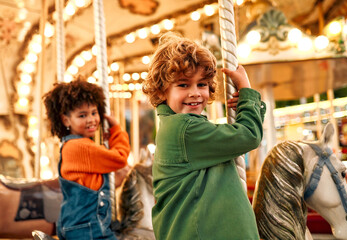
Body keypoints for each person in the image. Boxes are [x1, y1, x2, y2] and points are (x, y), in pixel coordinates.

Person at [142, 32, 266, 240]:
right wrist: (247, 91)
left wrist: (246, 106)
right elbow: (249, 136)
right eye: (183, 84)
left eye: (202, 84)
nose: (196, 93)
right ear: (162, 91)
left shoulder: (180, 126)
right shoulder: (183, 129)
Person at [43, 77, 130, 240]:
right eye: (82, 115)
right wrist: (117, 130)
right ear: (66, 120)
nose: (91, 119)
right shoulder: (80, 147)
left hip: (78, 225)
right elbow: (119, 158)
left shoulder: (72, 145)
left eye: (94, 113)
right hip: (88, 228)